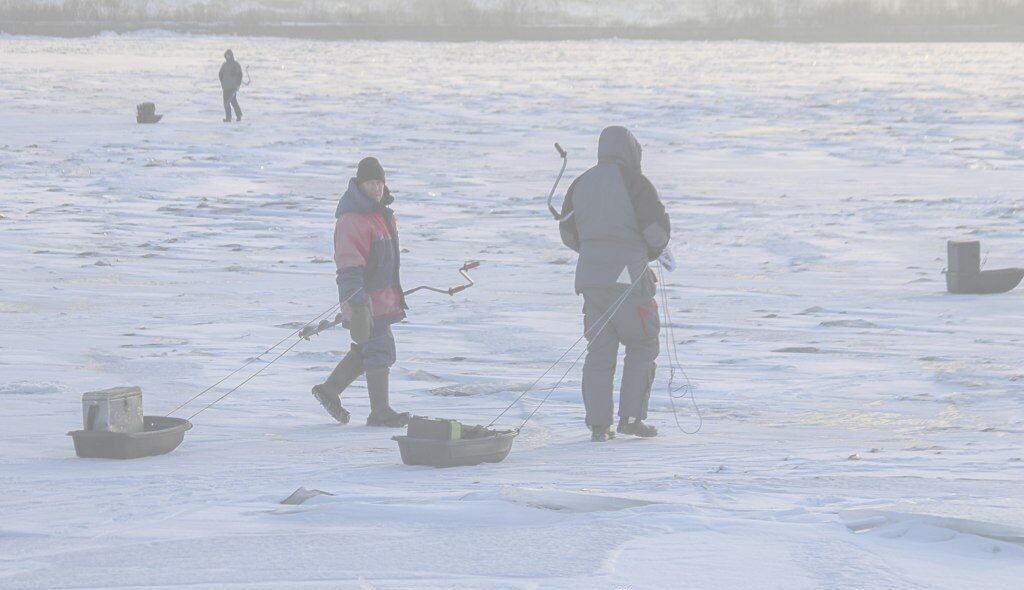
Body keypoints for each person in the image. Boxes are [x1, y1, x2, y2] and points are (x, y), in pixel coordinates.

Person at [558, 126, 671, 442]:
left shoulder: (580, 183)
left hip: (590, 277)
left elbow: (567, 233)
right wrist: (648, 252)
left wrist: (594, 250)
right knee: (643, 342)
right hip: (627, 275)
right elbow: (657, 233)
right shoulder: (635, 183)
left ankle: (599, 425)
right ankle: (631, 418)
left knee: (599, 350)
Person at [312, 157, 410, 428]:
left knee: (368, 348)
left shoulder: (380, 215)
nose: (377, 188)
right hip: (365, 302)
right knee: (380, 348)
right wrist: (357, 303)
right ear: (359, 184)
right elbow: (348, 268)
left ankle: (330, 389)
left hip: (380, 298)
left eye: (380, 182)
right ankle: (380, 411)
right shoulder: (352, 219)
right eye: (371, 183)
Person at [219, 49, 243, 122]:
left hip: (233, 87)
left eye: (229, 55)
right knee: (226, 103)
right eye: (226, 55)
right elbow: (220, 74)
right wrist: (223, 82)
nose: (227, 57)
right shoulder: (224, 64)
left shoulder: (236, 64)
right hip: (225, 87)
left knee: (233, 101)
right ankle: (228, 117)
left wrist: (238, 85)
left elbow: (240, 75)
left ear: (231, 56)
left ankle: (239, 115)